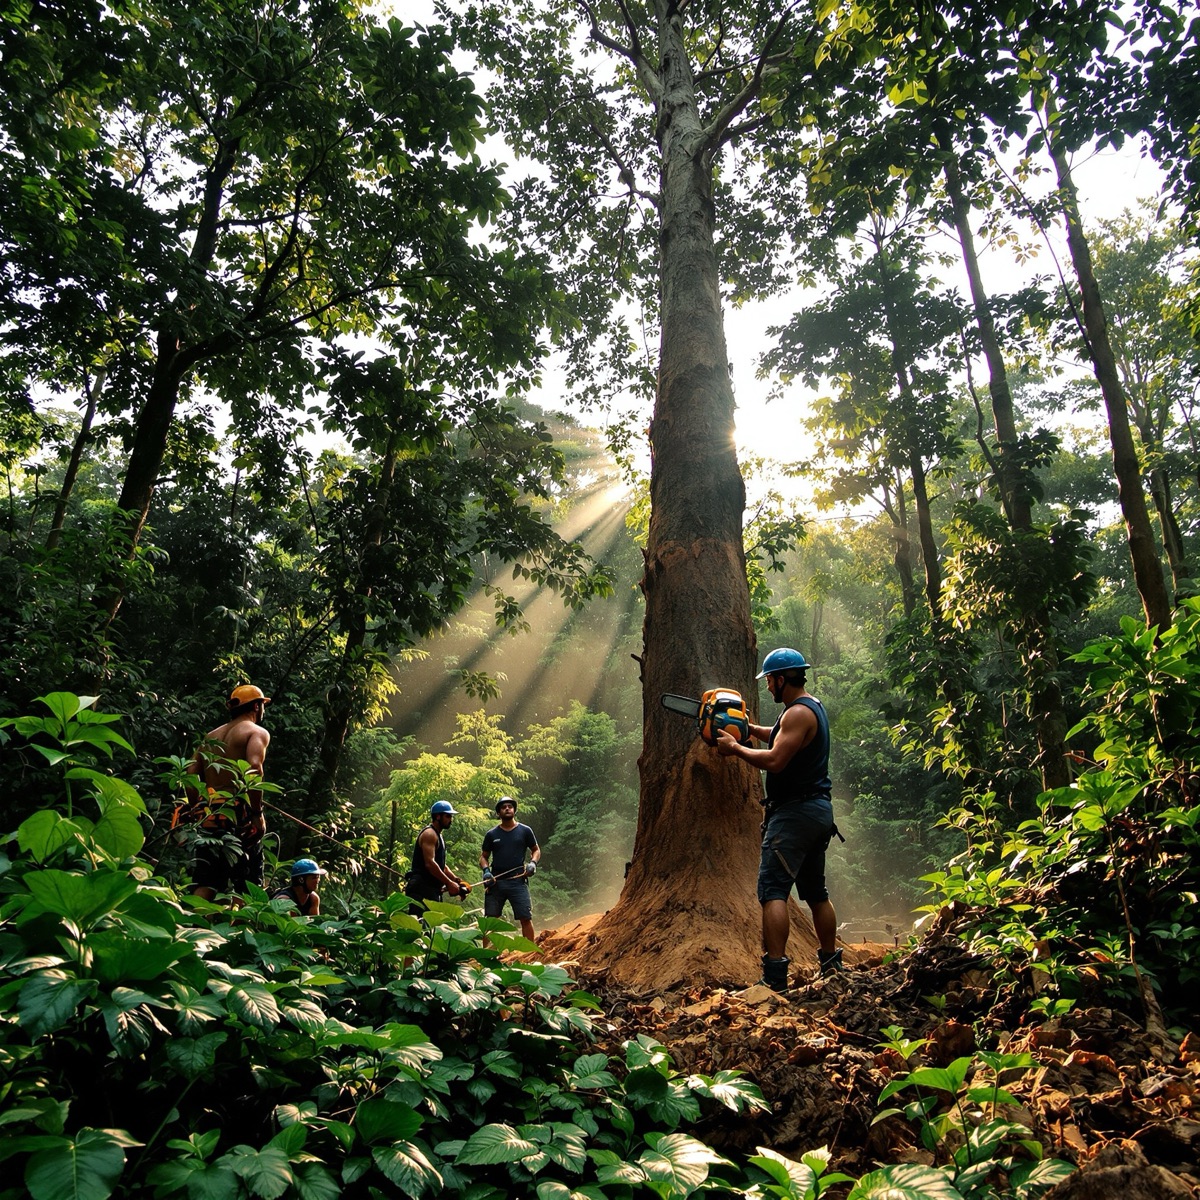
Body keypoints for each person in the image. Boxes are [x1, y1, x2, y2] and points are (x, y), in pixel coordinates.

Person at [715, 647, 843, 990]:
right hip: (817, 813)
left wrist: (735, 748)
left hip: (794, 816)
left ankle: (774, 978)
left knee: (773, 890)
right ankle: (832, 967)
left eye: (770, 680)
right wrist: (745, 728)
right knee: (816, 892)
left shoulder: (797, 714)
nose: (768, 686)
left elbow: (774, 760)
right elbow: (777, 733)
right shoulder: (808, 708)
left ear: (782, 679)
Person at [184, 683, 272, 903]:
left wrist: (196, 809)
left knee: (206, 882)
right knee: (248, 887)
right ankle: (241, 926)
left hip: (210, 816)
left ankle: (193, 923)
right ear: (256, 706)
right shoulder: (256, 732)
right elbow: (254, 769)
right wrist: (256, 813)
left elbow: (190, 774)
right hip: (239, 816)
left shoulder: (210, 737)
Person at [479, 795, 540, 940]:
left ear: (514, 810)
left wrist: (533, 863)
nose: (507, 809)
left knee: (525, 917)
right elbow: (483, 857)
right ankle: (488, 953)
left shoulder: (525, 831)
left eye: (510, 806)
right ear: (498, 813)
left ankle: (529, 951)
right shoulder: (491, 834)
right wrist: (486, 871)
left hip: (518, 881)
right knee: (490, 921)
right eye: (503, 807)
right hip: (495, 882)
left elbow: (536, 850)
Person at [405, 800, 471, 915]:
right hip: (421, 888)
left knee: (432, 924)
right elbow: (430, 864)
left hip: (432, 889)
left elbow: (442, 866)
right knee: (419, 923)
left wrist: (457, 881)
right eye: (448, 816)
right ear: (438, 817)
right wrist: (449, 883)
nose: (451, 820)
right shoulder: (429, 834)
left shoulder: (438, 835)